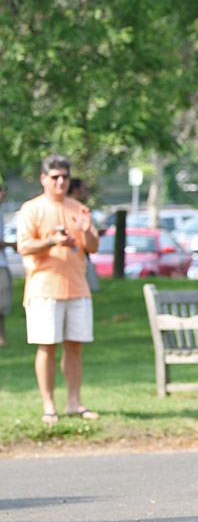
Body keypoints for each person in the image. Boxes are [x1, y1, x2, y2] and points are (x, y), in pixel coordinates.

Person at [17, 154, 100, 424]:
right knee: (47, 347)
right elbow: (24, 246)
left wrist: (86, 231)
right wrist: (52, 241)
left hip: (77, 287)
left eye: (64, 176)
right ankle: (49, 405)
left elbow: (93, 247)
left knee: (74, 346)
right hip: (44, 289)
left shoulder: (78, 207)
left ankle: (74, 402)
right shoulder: (32, 209)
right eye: (55, 177)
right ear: (44, 179)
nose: (60, 182)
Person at [68, 178, 101, 293]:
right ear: (75, 190)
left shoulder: (82, 210)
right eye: (84, 189)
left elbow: (94, 245)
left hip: (83, 258)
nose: (87, 192)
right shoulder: (66, 210)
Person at [0, 178, 13, 346]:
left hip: (2, 262)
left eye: (4, 189)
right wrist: (15, 244)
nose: (3, 193)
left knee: (2, 304)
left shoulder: (2, 210)